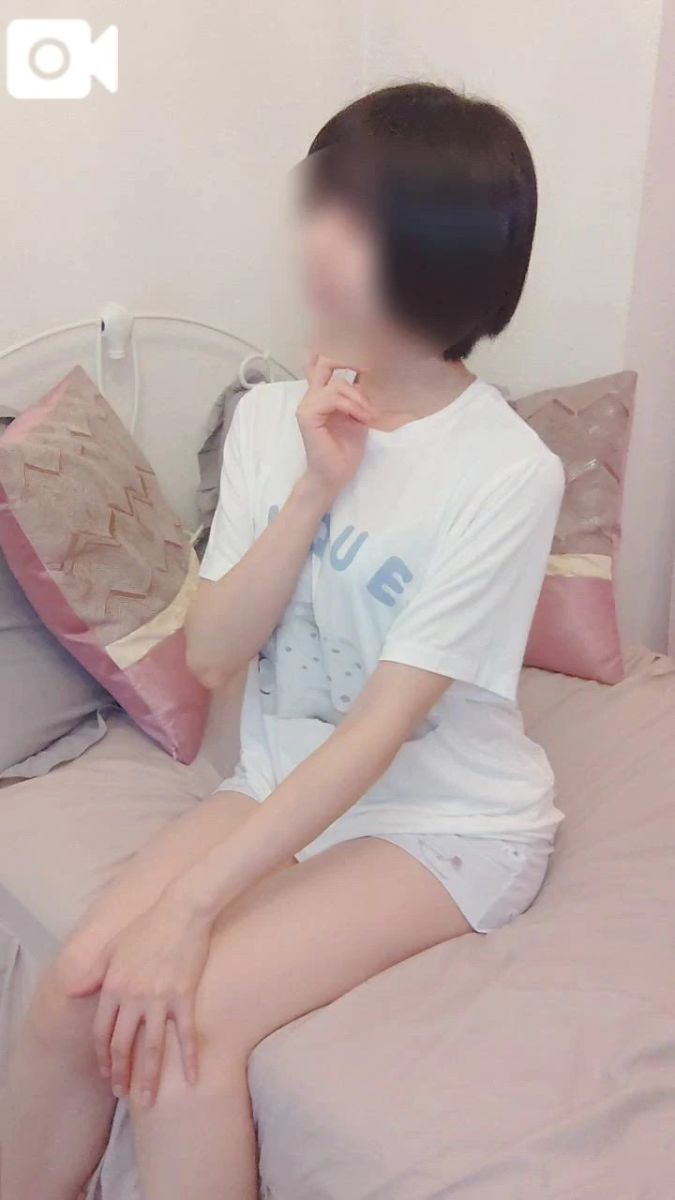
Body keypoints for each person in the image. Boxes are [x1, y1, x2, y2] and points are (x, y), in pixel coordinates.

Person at [1, 82, 566, 1200]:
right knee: (74, 990)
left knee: (182, 1031)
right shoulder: (273, 418)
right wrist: (314, 488)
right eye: (322, 207)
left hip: (444, 820)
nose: (315, 241)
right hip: (280, 778)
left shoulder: (507, 471)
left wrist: (189, 912)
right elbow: (213, 653)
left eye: (357, 221)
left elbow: (379, 732)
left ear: (440, 253)